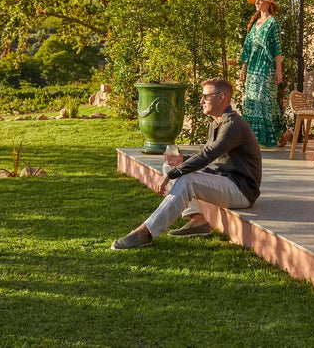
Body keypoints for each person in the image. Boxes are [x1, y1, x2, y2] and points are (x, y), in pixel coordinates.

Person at [111, 78, 262, 250]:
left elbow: (208, 155)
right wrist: (183, 160)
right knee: (172, 167)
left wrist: (170, 175)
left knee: (185, 178)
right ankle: (197, 220)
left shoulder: (233, 125)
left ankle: (146, 232)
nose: (202, 101)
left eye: (206, 96)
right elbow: (208, 153)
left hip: (241, 190)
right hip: (224, 178)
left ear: (222, 97)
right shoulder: (217, 123)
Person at [239, 0, 285, 147]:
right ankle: (253, 138)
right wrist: (244, 68)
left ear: (268, 3)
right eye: (256, 0)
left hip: (266, 68)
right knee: (252, 101)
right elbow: (247, 48)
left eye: (260, 0)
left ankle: (278, 134)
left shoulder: (273, 22)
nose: (257, 2)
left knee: (265, 101)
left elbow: (276, 49)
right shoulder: (255, 24)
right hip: (253, 68)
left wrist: (279, 70)